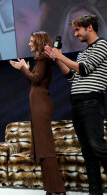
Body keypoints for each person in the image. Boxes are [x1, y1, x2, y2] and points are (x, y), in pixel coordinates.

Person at [45, 15, 107, 195]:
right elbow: (72, 77)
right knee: (88, 151)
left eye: (78, 29)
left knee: (97, 146)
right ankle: (95, 192)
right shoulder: (82, 53)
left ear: (90, 28)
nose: (75, 33)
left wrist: (61, 56)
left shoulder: (102, 45)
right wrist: (58, 59)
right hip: (78, 103)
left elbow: (84, 69)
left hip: (91, 102)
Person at [9, 31, 66, 195]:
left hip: (41, 105)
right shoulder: (41, 60)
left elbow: (35, 80)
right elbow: (35, 79)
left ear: (39, 42)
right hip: (38, 105)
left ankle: (58, 189)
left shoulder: (43, 59)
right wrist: (26, 69)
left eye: (31, 41)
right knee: (42, 148)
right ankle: (51, 189)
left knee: (45, 148)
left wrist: (22, 69)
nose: (29, 44)